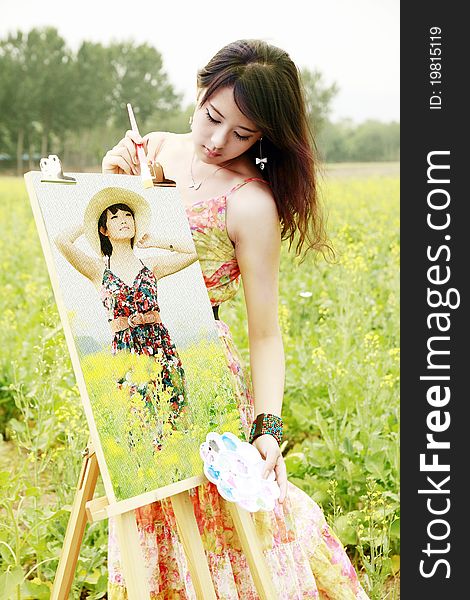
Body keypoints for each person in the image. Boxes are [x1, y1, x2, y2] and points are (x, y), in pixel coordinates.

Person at [102, 39, 369, 599]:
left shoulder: (249, 201)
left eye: (243, 134)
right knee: (144, 506)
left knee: (217, 514)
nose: (219, 141)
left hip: (199, 372)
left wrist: (268, 429)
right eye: (213, 117)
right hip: (127, 364)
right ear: (200, 93)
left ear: (264, 138)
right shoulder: (149, 151)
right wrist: (112, 178)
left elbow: (265, 333)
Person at [55, 186, 198, 448]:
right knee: (140, 424)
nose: (124, 220)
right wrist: (90, 217)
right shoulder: (98, 270)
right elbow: (61, 241)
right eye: (115, 217)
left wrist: (155, 241)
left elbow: (194, 250)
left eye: (128, 216)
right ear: (104, 229)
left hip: (160, 347)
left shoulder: (152, 265)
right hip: (126, 352)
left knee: (174, 422)